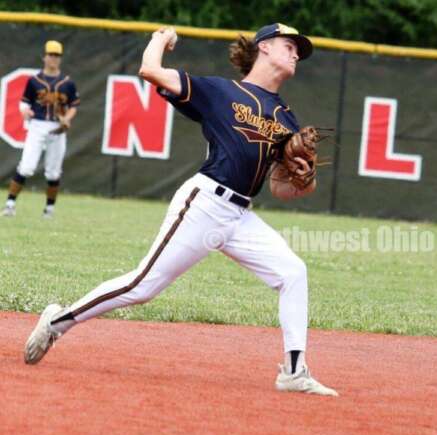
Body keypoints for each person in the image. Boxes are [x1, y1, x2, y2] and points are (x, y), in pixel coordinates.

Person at [23, 23, 338, 396]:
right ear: (265, 47)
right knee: (142, 286)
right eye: (290, 46)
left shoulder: (286, 118)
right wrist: (160, 39)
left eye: (299, 50)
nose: (296, 54)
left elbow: (280, 188)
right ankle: (57, 321)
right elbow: (150, 72)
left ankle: (293, 370)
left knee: (293, 272)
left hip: (241, 217)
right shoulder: (221, 91)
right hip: (204, 204)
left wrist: (304, 178)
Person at [3, 40, 80, 219]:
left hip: (57, 129)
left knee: (53, 171)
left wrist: (67, 119)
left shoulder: (67, 83)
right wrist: (24, 110)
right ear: (44, 56)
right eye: (51, 54)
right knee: (27, 167)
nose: (53, 58)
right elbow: (24, 102)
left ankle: (49, 210)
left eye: (57, 55)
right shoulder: (34, 81)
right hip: (37, 125)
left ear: (60, 58)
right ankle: (10, 204)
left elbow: (74, 105)